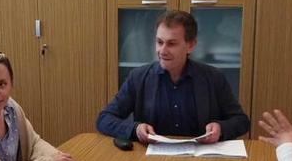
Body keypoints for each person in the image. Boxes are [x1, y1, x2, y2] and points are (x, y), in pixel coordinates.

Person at [96, 10, 250, 144]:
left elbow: (241, 121)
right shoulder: (138, 77)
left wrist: (220, 128)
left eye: (171, 44)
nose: (162, 50)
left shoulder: (214, 78)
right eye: (159, 42)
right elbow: (104, 119)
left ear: (190, 45)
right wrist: (135, 129)